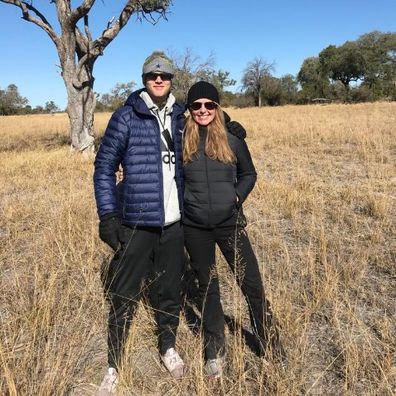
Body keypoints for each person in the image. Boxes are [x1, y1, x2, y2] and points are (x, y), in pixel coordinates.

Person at [93, 51, 185, 395]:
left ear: (172, 79)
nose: (158, 80)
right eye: (151, 75)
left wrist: (231, 129)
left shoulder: (180, 115)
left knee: (169, 289)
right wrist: (107, 216)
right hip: (136, 222)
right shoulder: (126, 117)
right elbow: (103, 169)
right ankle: (114, 364)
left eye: (164, 75)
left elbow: (207, 132)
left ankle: (168, 346)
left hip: (174, 223)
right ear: (144, 78)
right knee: (123, 294)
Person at [182, 81, 284, 378]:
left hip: (230, 225)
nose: (203, 110)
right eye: (196, 106)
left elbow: (249, 173)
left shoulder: (233, 140)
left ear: (217, 107)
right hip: (194, 227)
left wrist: (237, 196)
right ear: (189, 110)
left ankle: (270, 343)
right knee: (207, 287)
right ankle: (214, 350)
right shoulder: (180, 140)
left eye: (209, 105)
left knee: (251, 283)